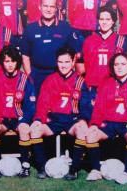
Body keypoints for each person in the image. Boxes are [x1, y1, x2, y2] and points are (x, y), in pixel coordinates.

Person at [30, 47, 93, 180]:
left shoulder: (80, 81)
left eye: (66, 62)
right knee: (35, 130)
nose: (63, 65)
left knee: (82, 131)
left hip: (72, 120)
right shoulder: (50, 79)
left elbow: (86, 105)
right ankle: (42, 167)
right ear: (56, 62)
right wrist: (38, 119)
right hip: (54, 120)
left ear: (73, 62)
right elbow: (42, 103)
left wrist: (83, 119)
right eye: (60, 62)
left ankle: (73, 169)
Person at [85, 53, 127, 184]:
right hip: (108, 124)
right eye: (116, 64)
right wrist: (94, 124)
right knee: (90, 134)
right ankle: (96, 170)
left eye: (123, 64)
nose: (119, 67)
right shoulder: (106, 84)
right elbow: (98, 108)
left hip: (126, 125)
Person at [0, 46, 36, 178]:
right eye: (7, 61)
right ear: (2, 62)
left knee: (25, 129)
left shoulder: (25, 79)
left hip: (18, 118)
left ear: (18, 62)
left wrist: (24, 119)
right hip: (3, 119)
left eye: (13, 61)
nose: (10, 65)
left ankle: (25, 165)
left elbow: (31, 106)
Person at [21, 0, 82, 96]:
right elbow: (25, 55)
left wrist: (68, 71)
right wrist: (29, 75)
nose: (48, 10)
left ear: (56, 9)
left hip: (59, 74)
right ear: (40, 7)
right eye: (45, 6)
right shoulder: (30, 29)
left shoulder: (65, 27)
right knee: (39, 108)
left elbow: (75, 52)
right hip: (37, 74)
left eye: (52, 7)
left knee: (57, 108)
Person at [81, 6, 127, 90]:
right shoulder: (89, 40)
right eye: (101, 19)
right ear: (98, 21)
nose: (104, 22)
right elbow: (83, 67)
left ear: (113, 21)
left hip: (113, 87)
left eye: (108, 19)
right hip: (93, 86)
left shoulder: (121, 41)